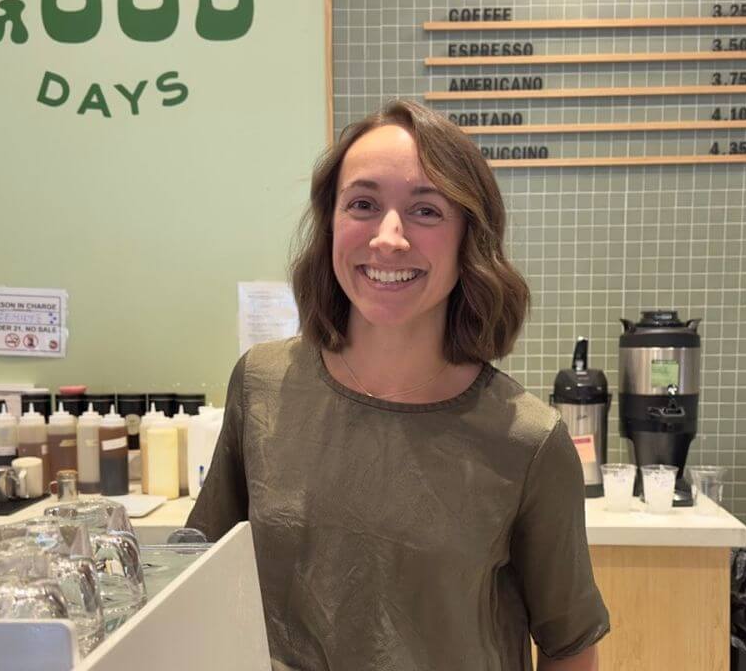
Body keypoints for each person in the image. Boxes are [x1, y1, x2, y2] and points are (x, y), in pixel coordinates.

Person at [187, 100, 609, 670]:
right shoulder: (263, 385)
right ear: (330, 222)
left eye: (426, 211)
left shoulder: (527, 440)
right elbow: (202, 573)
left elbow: (569, 646)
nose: (388, 237)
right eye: (363, 204)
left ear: (469, 238)